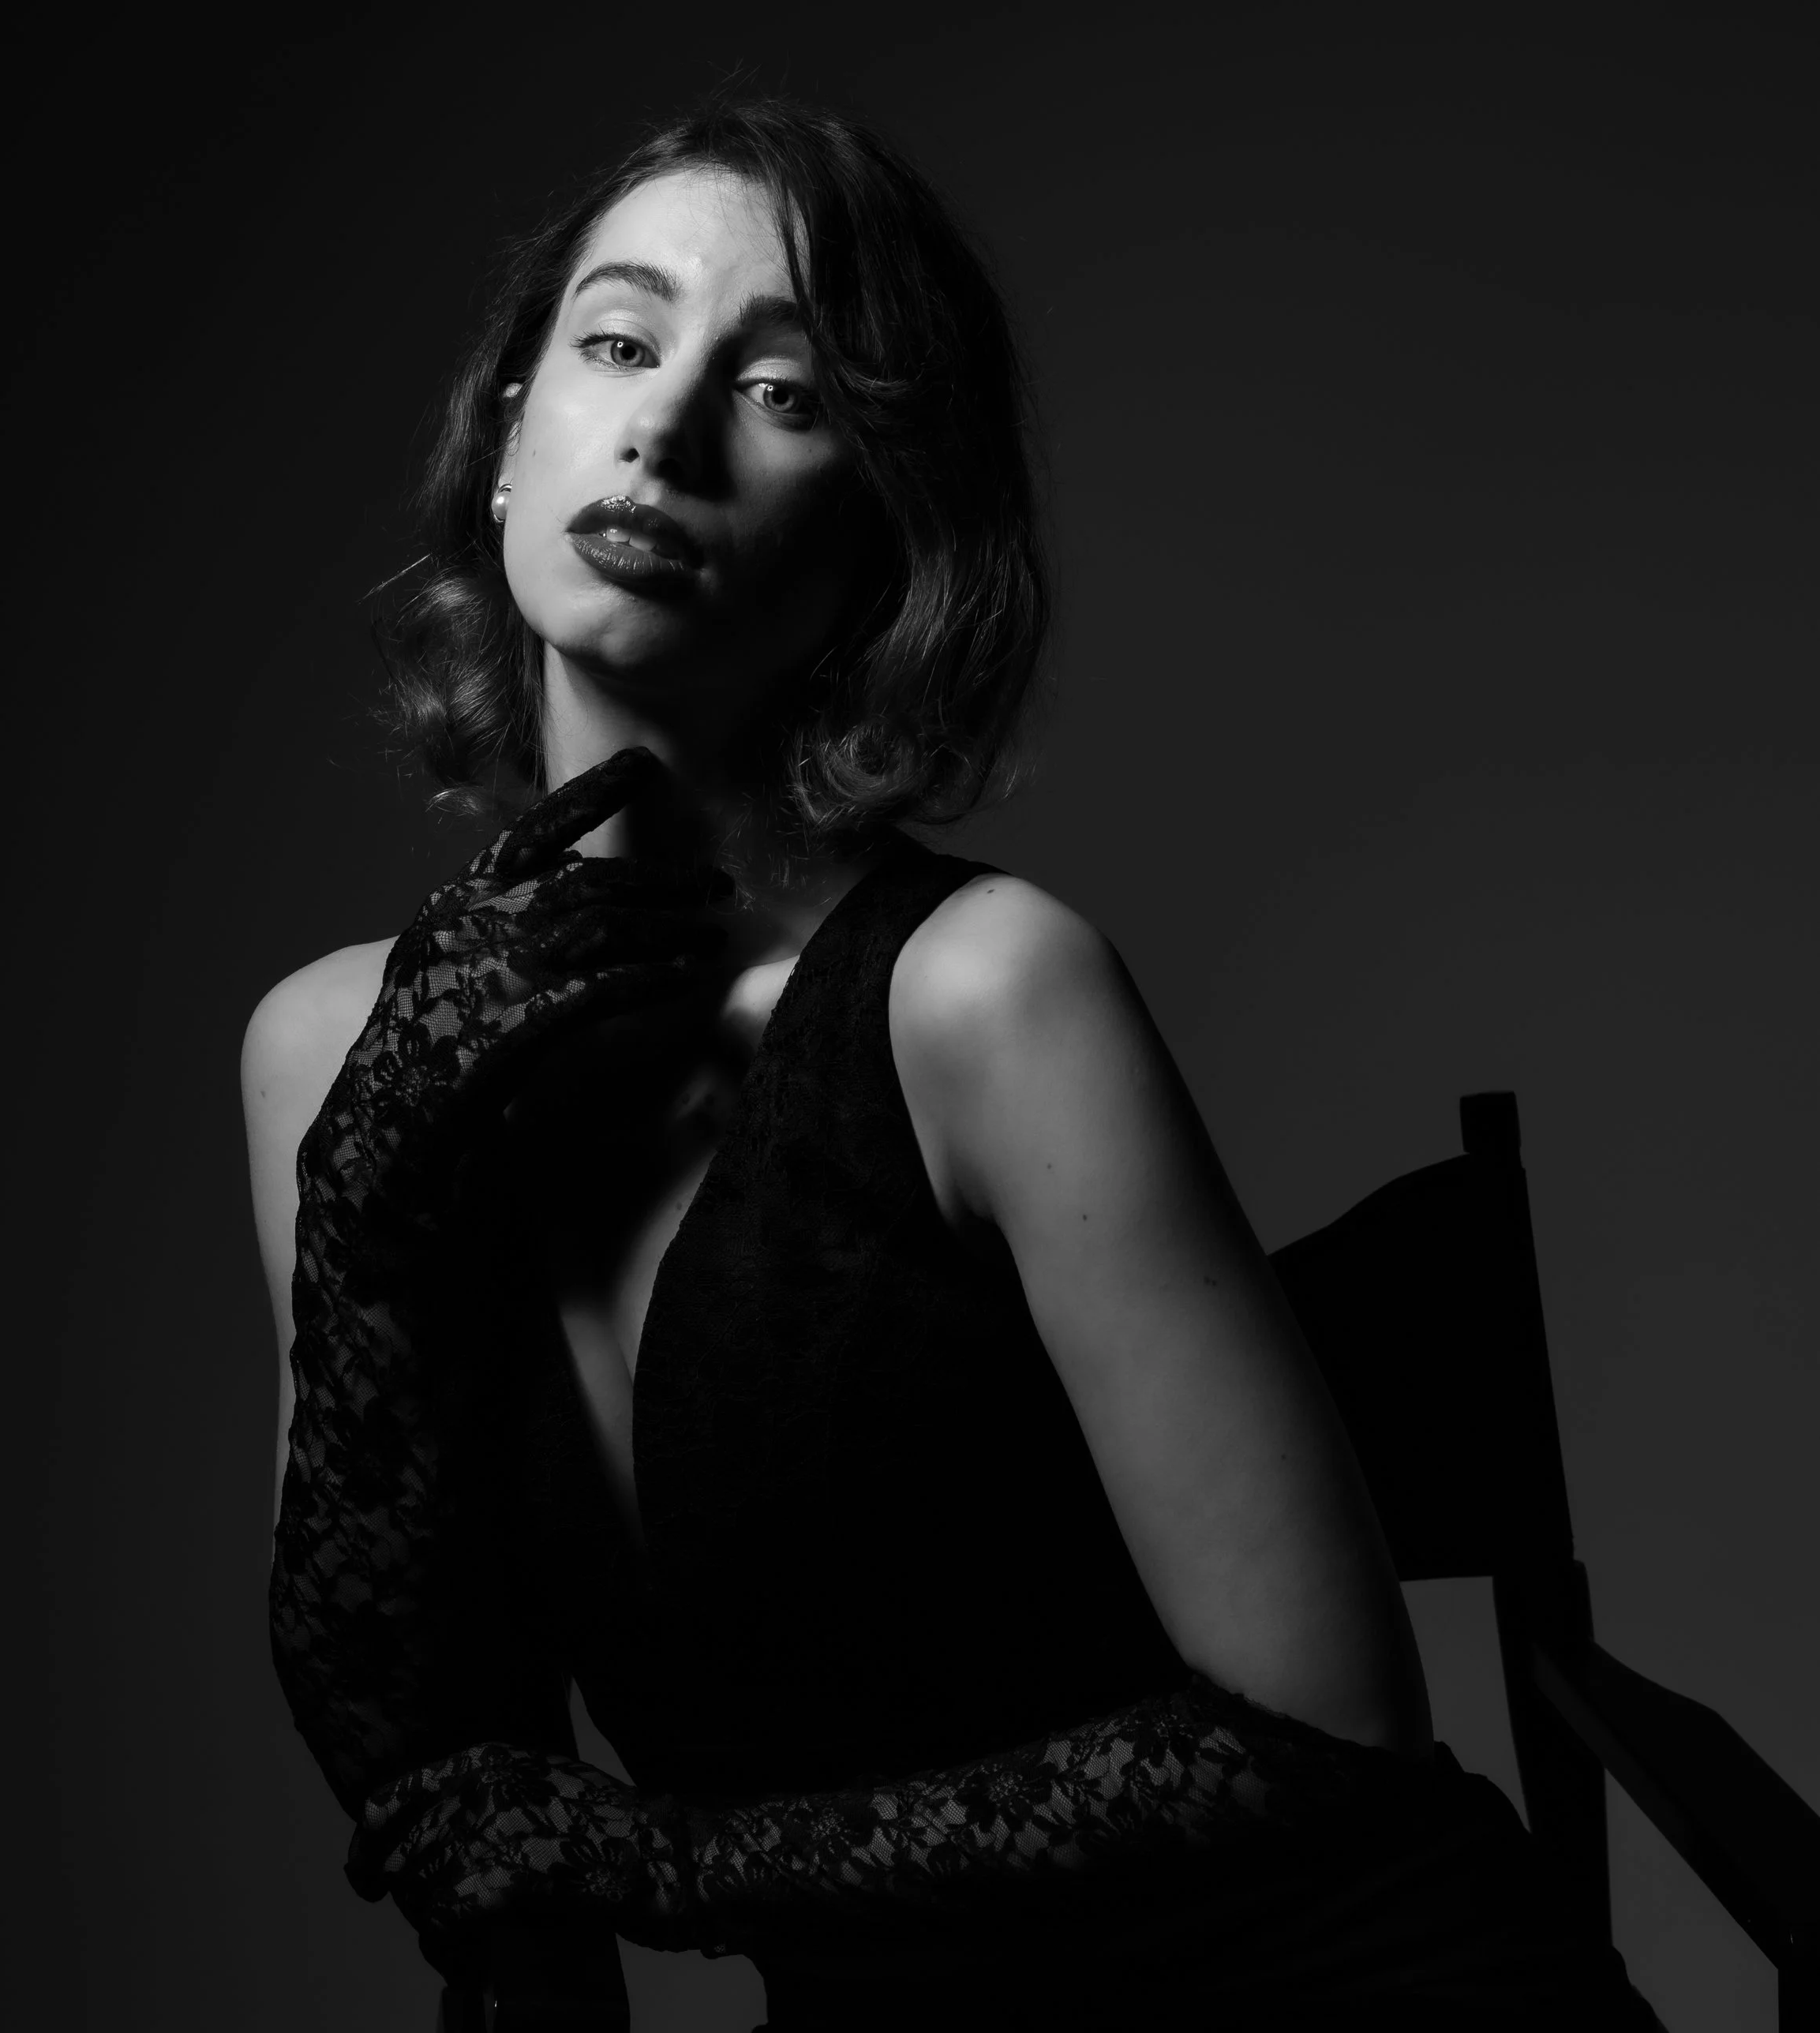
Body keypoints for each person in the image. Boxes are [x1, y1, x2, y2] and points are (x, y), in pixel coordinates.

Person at [241, 95, 1658, 2031]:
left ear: (885, 543)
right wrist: (376, 1173)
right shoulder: (329, 1054)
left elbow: (1329, 1743)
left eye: (786, 392)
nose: (663, 429)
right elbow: (419, 1768)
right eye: (618, 342)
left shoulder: (981, 998)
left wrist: (680, 1865)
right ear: (504, 443)